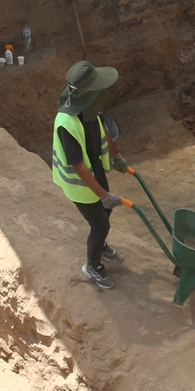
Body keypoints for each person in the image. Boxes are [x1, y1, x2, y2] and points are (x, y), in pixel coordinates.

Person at [51, 61, 131, 290]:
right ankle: (93, 266)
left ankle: (100, 245)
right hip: (80, 184)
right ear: (87, 92)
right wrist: (104, 194)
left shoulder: (89, 107)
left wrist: (116, 155)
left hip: (94, 171)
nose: (103, 92)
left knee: (105, 212)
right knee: (99, 225)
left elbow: (102, 127)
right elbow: (78, 166)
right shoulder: (66, 123)